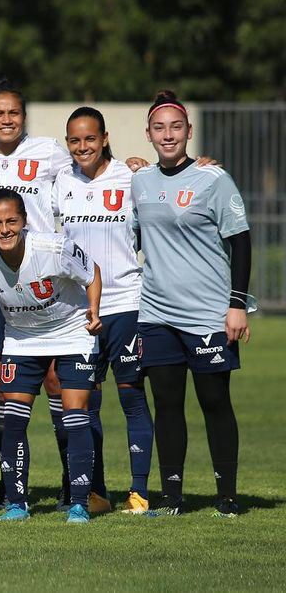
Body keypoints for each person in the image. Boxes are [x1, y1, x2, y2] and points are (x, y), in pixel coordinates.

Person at [0, 79, 78, 510]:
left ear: (23, 118)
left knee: (59, 383)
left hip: (45, 284)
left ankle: (72, 484)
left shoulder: (49, 152)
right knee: (6, 391)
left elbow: (87, 168)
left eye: (14, 113)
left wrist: (129, 163)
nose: (7, 120)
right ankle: (12, 488)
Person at [132, 91, 251, 517]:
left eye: (176, 127)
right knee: (166, 405)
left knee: (215, 402)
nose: (168, 135)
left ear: (189, 132)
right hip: (157, 314)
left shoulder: (212, 179)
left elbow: (240, 241)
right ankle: (173, 497)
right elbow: (136, 236)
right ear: (148, 134)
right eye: (159, 128)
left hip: (208, 313)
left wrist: (236, 304)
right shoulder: (140, 180)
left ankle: (228, 497)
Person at [0, 189, 103, 523]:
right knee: (13, 418)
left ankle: (79, 503)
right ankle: (16, 504)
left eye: (11, 220)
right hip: (22, 338)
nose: (4, 229)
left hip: (72, 334)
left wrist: (95, 311)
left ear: (24, 221)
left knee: (74, 413)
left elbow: (92, 272)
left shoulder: (53, 248)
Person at [55, 106, 154, 513]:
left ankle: (140, 492)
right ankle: (95, 492)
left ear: (106, 137)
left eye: (90, 139)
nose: (83, 147)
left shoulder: (131, 178)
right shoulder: (59, 181)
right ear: (67, 144)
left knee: (131, 396)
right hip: (81, 310)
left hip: (127, 304)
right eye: (75, 141)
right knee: (85, 402)